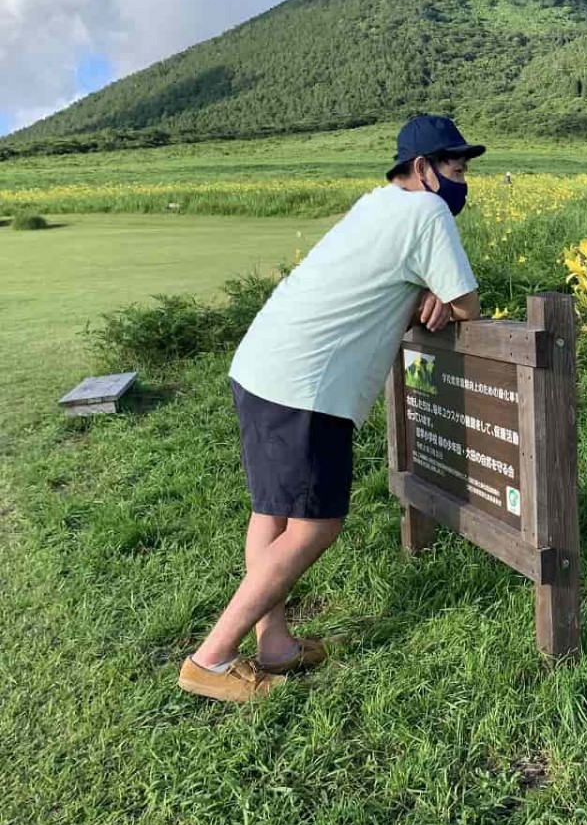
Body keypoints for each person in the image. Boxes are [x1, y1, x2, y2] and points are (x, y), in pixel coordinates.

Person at [178, 115, 484, 703]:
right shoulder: (427, 211)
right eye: (456, 168)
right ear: (423, 169)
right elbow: (468, 303)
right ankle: (211, 659)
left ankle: (276, 645)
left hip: (262, 366)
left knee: (273, 511)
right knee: (316, 524)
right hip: (306, 385)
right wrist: (438, 293)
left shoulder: (375, 205)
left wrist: (426, 288)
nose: (462, 182)